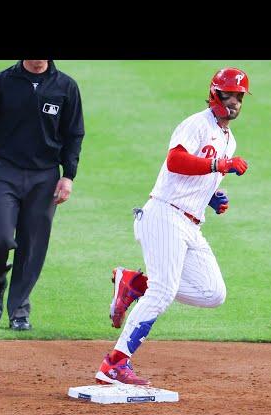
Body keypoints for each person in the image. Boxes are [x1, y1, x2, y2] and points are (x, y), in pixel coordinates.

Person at [94, 67, 251, 385]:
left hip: (190, 223)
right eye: (227, 95)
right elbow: (175, 161)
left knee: (212, 293)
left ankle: (135, 283)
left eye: (239, 97)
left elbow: (194, 177)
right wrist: (219, 165)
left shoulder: (228, 140)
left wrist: (211, 196)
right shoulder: (196, 124)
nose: (233, 102)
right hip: (164, 214)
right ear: (214, 94)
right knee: (163, 291)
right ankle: (115, 363)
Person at [0, 60, 85, 331]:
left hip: (45, 177)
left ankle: (19, 310)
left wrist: (68, 176)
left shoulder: (65, 86)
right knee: (0, 237)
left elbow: (74, 134)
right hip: (6, 171)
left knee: (31, 247)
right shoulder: (0, 82)